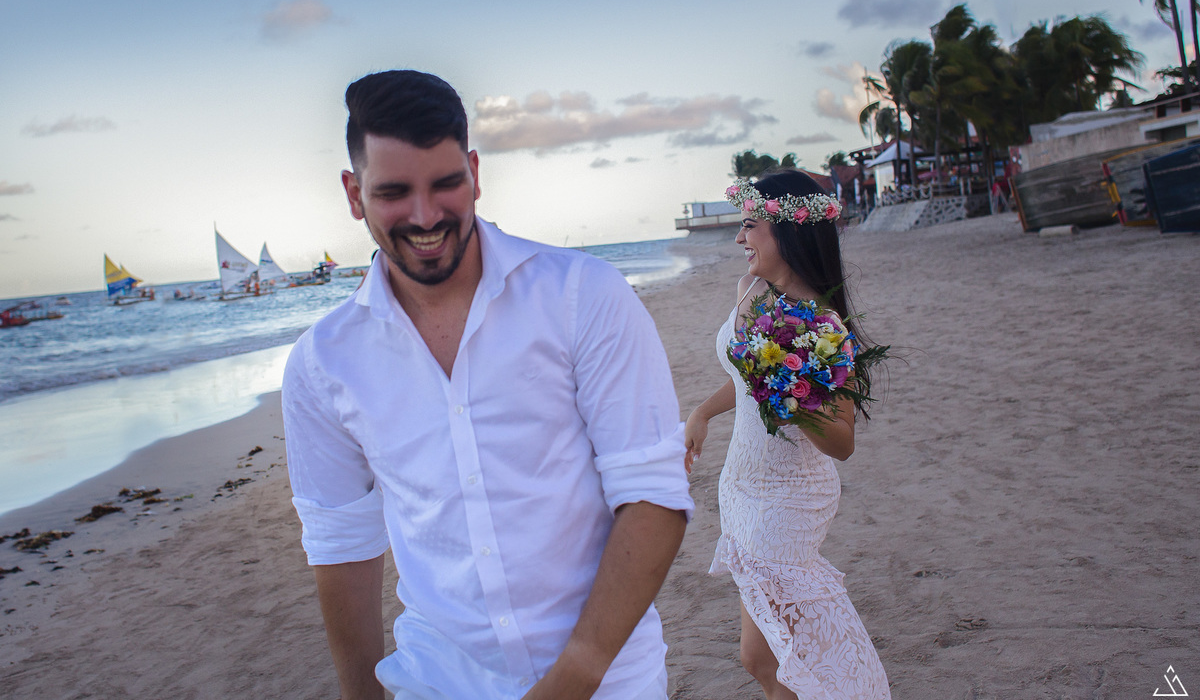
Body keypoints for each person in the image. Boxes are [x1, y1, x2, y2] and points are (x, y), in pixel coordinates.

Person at [283, 69, 692, 700]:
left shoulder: (583, 295)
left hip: (609, 679)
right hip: (437, 680)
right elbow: (342, 544)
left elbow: (653, 495)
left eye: (446, 184)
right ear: (352, 192)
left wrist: (574, 675)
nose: (425, 216)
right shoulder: (322, 363)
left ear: (475, 172)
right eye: (394, 191)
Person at [684, 170, 890, 699]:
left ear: (789, 232)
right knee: (766, 658)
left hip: (789, 498)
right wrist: (704, 413)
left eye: (750, 225)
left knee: (762, 657)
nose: (738, 238)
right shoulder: (753, 295)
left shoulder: (823, 328)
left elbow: (841, 442)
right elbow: (742, 378)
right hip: (744, 486)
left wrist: (784, 389)